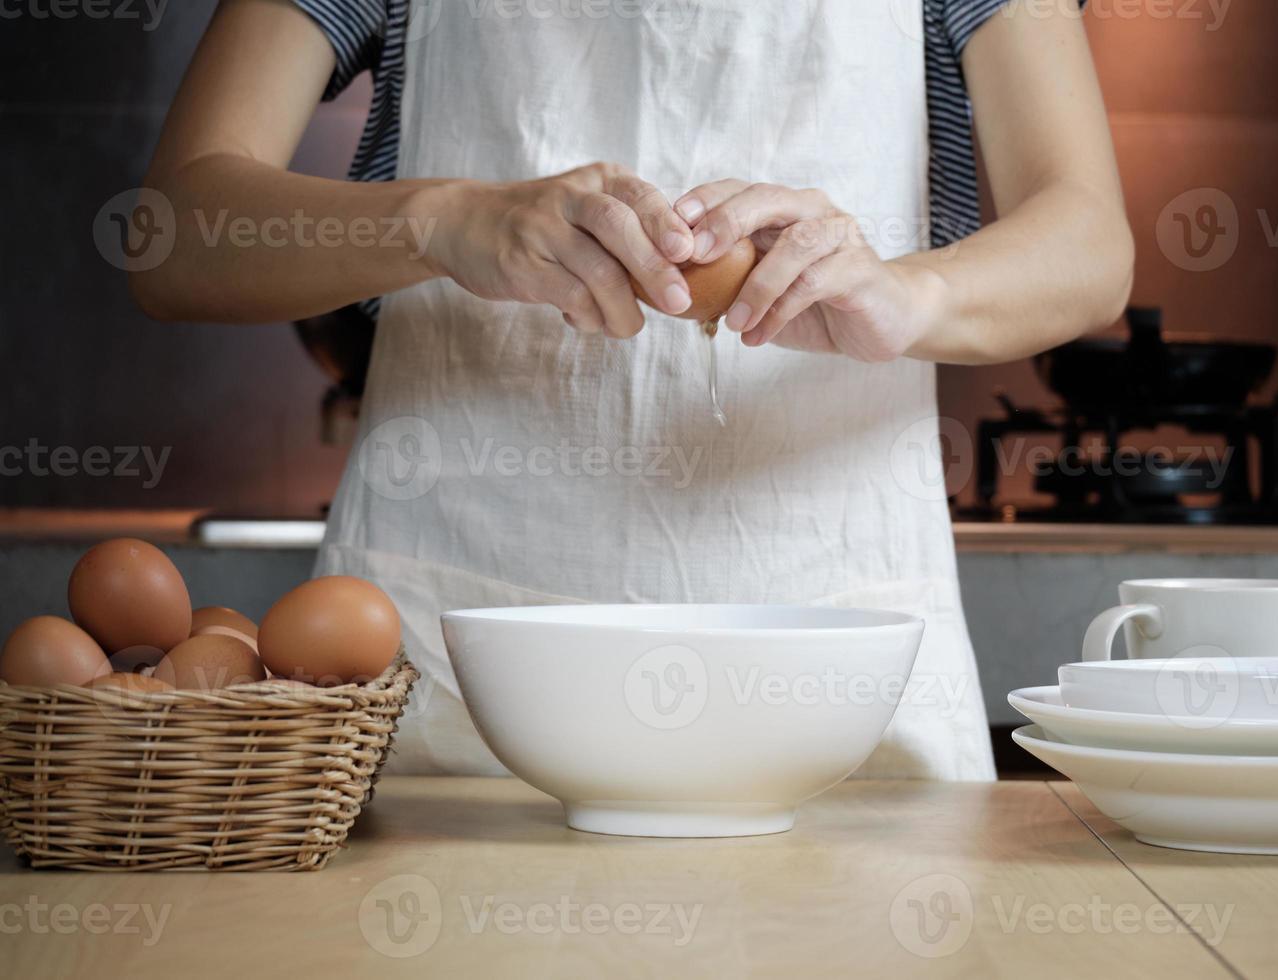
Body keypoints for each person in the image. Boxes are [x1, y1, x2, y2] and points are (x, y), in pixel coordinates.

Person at [133, 0, 1133, 778]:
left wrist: (906, 294)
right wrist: (439, 219)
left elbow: (1089, 239)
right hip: (458, 693)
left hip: (838, 690)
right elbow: (172, 235)